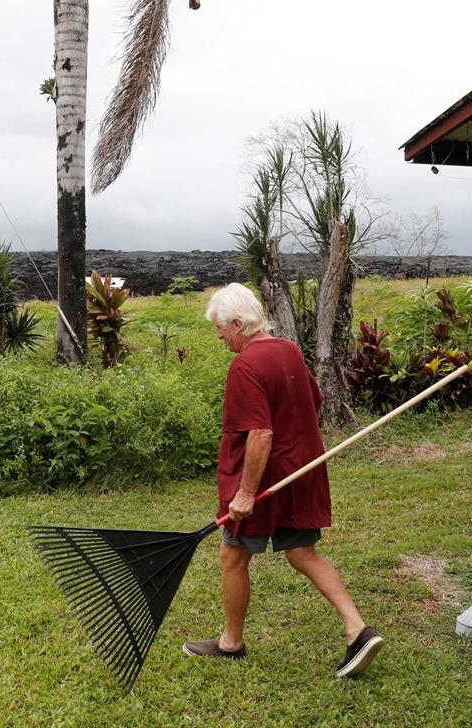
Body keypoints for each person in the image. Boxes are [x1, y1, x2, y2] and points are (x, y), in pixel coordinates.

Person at [183, 283, 382, 679]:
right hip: (301, 472)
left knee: (233, 555)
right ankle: (357, 630)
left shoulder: (245, 364)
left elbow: (259, 434)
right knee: (303, 552)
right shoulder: (288, 349)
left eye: (221, 328)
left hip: (265, 480)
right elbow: (315, 399)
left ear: (238, 324)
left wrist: (244, 493)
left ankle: (230, 644)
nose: (219, 335)